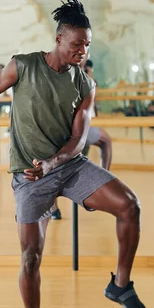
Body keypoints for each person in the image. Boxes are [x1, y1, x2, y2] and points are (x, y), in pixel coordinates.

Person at [0, 0, 150, 308]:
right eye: (76, 45)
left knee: (130, 206)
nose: (82, 52)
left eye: (87, 46)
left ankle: (120, 285)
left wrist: (53, 163)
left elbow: (77, 140)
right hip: (29, 175)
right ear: (58, 39)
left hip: (68, 167)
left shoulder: (85, 84)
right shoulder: (22, 66)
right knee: (30, 258)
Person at [51, 58, 112, 220]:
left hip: (75, 126)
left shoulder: (67, 73)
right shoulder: (80, 77)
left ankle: (53, 208)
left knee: (63, 166)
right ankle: (104, 179)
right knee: (105, 142)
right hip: (78, 127)